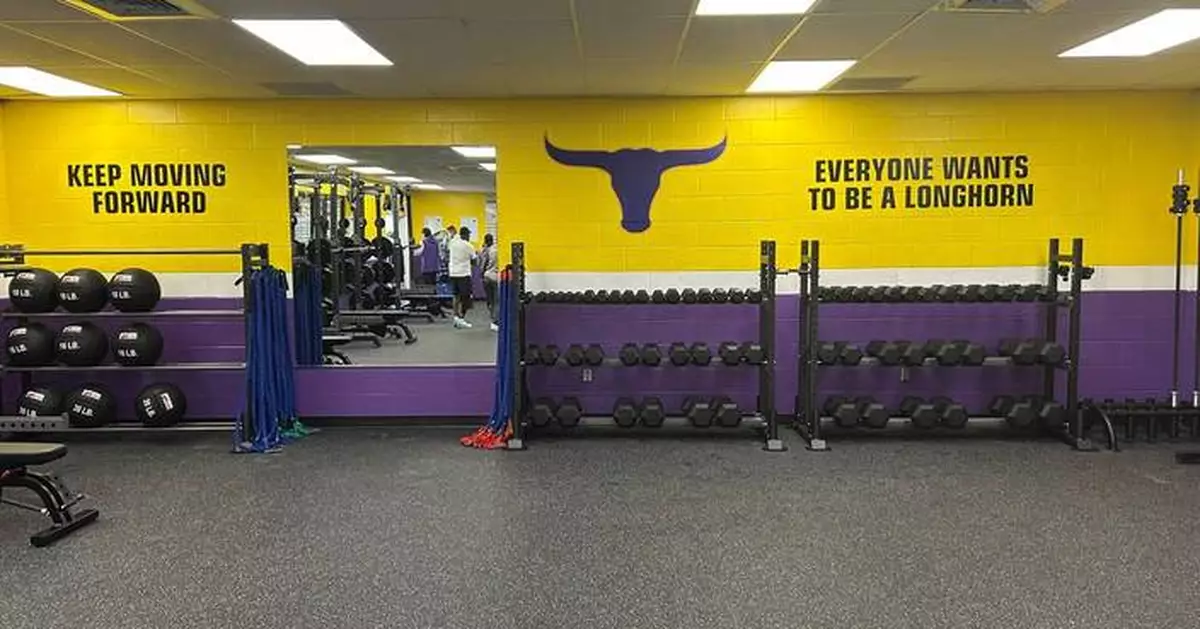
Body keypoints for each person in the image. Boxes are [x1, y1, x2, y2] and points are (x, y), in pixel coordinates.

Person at [447, 226, 477, 329]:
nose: (469, 236)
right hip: (464, 274)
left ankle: (456, 317)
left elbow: (448, 253)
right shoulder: (468, 246)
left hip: (453, 273)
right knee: (466, 298)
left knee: (456, 296)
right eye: (468, 234)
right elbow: (474, 261)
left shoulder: (452, 243)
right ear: (465, 235)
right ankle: (461, 318)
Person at [480, 234, 500, 332]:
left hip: (487, 276)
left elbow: (482, 264)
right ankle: (495, 320)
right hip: (495, 277)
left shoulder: (486, 251)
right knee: (496, 300)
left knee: (490, 300)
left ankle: (493, 318)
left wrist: (481, 274)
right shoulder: (496, 250)